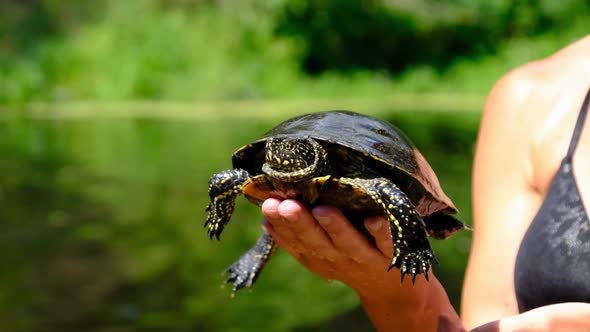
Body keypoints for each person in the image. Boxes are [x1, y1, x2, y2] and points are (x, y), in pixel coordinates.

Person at [260, 34, 590, 331]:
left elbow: (387, 189)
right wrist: (395, 294)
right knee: (277, 220)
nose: (275, 154)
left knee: (386, 192)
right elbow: (485, 323)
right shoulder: (533, 100)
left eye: (288, 150)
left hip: (388, 194)